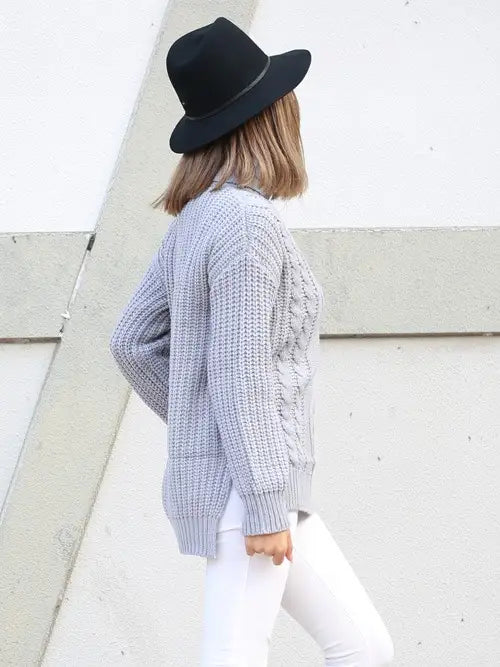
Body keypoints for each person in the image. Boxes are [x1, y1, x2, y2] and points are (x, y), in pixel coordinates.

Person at [109, 16, 395, 667]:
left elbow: (131, 341)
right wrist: (262, 496)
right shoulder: (246, 223)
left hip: (259, 481)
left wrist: (205, 425)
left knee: (365, 645)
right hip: (253, 491)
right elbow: (241, 375)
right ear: (268, 117)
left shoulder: (200, 217)